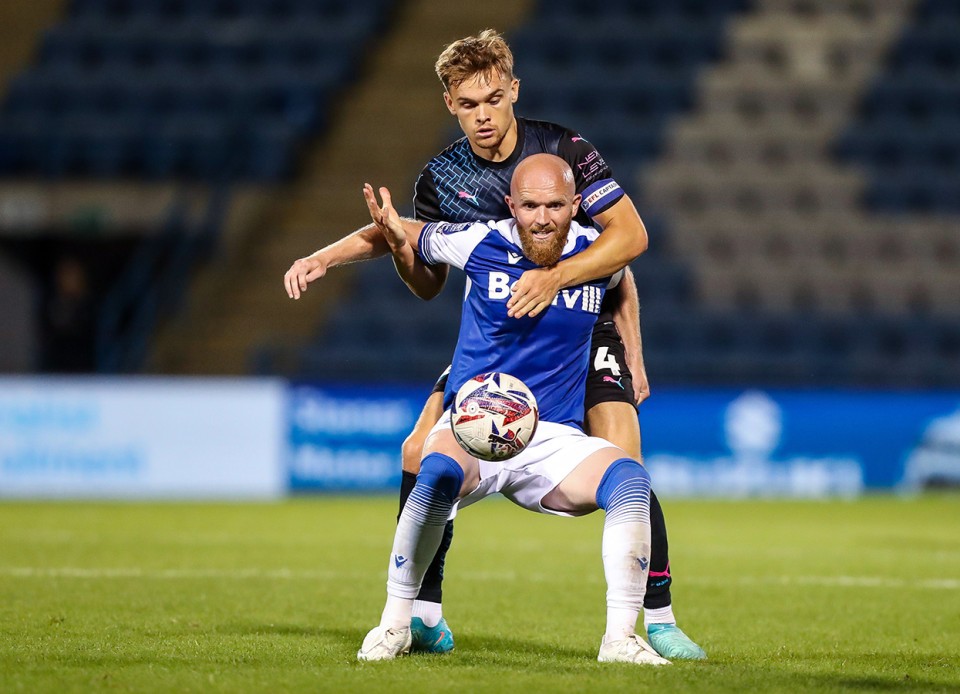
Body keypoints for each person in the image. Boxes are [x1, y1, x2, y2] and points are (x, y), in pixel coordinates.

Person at [283, 30, 705, 660]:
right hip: (502, 333)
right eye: (466, 104)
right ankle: (418, 613)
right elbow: (421, 272)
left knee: (626, 458)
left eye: (491, 100)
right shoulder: (446, 181)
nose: (482, 115)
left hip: (580, 319)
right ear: (449, 105)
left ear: (512, 92)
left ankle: (658, 617)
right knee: (418, 452)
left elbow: (624, 250)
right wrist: (352, 251)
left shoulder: (562, 151)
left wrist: (625, 345)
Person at [355, 154, 669, 665]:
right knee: (432, 473)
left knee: (631, 480)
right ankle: (395, 624)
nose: (541, 217)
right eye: (529, 206)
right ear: (510, 205)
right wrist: (356, 247)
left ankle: (620, 639)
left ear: (574, 206)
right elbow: (409, 235)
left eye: (553, 206)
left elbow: (621, 279)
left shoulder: (594, 253)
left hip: (551, 436)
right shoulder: (481, 241)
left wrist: (633, 351)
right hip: (476, 422)